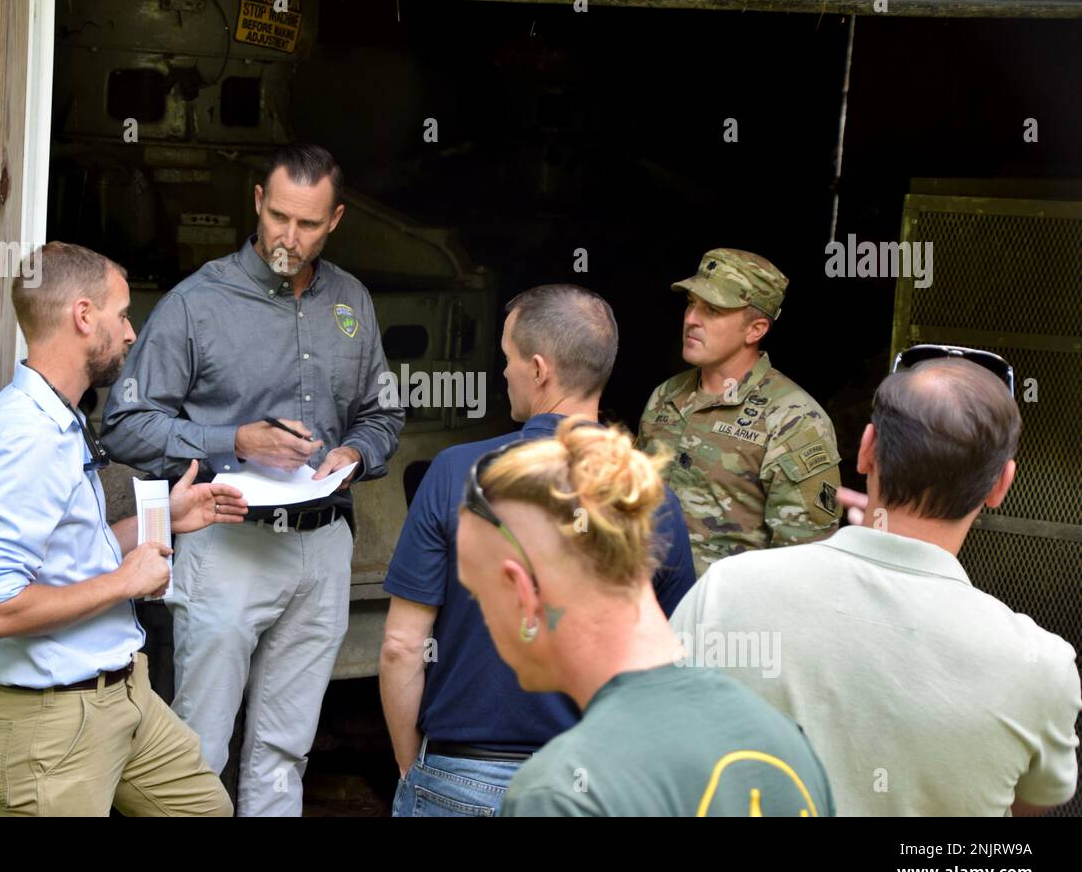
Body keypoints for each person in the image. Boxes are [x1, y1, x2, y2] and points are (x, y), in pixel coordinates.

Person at [99, 143, 404, 816]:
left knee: (285, 751)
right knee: (196, 751)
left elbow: (384, 412)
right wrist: (229, 440)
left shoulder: (352, 300)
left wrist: (354, 454)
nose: (289, 237)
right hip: (226, 539)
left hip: (322, 547)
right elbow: (121, 425)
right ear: (258, 203)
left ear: (336, 222)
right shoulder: (197, 303)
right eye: (280, 217)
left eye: (309, 224)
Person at [670, 346, 1081, 816]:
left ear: (866, 450)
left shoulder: (727, 591)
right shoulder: (1042, 666)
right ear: (1000, 486)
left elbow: (658, 751)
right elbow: (1030, 805)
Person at [0, 241, 248, 816]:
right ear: (84, 317)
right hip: (54, 723)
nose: (132, 332)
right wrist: (125, 584)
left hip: (127, 695)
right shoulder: (23, 439)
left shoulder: (59, 419)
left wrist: (162, 520)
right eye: (122, 313)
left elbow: (70, 555)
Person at [380, 284, 694, 816]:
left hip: (459, 775)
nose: (502, 372)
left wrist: (417, 770)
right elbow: (669, 668)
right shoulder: (651, 498)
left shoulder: (456, 472)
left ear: (540, 369)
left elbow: (401, 647)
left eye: (507, 358)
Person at [457, 419, 834, 816]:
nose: (484, 615)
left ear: (522, 592)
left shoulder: (561, 792)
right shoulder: (786, 745)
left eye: (479, 593)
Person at [636, 248, 841, 576]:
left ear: (755, 330)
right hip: (648, 610)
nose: (691, 319)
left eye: (713, 310)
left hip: (728, 619)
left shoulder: (794, 419)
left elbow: (805, 564)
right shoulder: (666, 396)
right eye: (691, 303)